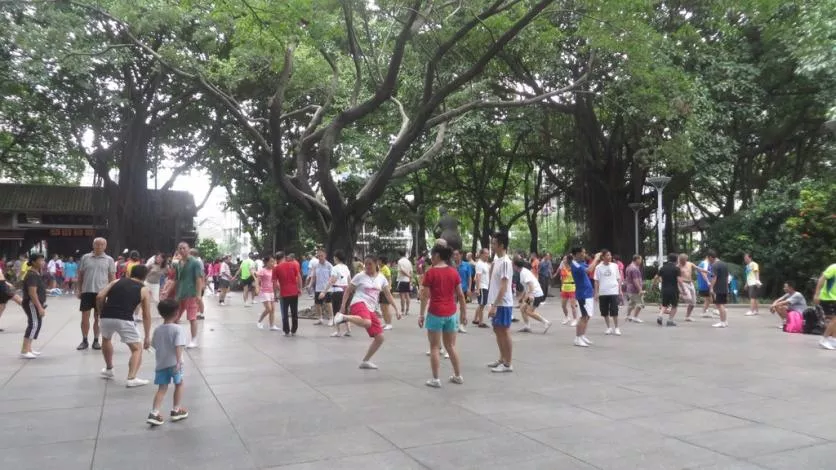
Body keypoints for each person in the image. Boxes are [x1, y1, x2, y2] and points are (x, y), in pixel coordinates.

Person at [334, 255, 400, 369]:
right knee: (367, 322)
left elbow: (388, 295)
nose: (367, 266)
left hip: (370, 308)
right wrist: (343, 306)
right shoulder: (360, 276)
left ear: (376, 264)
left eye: (370, 264)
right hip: (358, 303)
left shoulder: (381, 278)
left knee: (380, 338)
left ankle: (365, 361)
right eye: (366, 264)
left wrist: (396, 309)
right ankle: (344, 317)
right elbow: (348, 291)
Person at [96, 264, 152, 387]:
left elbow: (100, 296)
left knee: (106, 339)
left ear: (130, 272)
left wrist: (101, 312)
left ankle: (109, 369)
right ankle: (131, 378)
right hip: (124, 318)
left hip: (106, 316)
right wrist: (147, 336)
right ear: (145, 276)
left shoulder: (117, 281)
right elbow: (146, 315)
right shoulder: (144, 289)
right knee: (137, 348)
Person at [419, 244, 466, 388]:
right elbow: (461, 295)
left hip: (435, 312)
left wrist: (421, 315)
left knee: (434, 347)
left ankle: (436, 379)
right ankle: (458, 375)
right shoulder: (453, 272)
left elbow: (425, 296)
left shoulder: (430, 273)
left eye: (432, 256)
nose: (430, 259)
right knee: (450, 346)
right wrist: (463, 314)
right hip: (451, 313)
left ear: (437, 256)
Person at [146, 299, 189, 426]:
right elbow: (178, 346)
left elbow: (154, 345)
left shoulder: (158, 329)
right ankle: (176, 410)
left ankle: (154, 413)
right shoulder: (178, 329)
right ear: (177, 313)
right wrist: (178, 362)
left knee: (162, 388)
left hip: (161, 364)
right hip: (175, 364)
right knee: (179, 384)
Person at [77, 238, 116, 351]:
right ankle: (84, 340)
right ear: (93, 245)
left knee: (98, 318)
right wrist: (79, 289)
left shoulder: (109, 260)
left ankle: (96, 340)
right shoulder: (85, 258)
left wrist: (112, 292)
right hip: (87, 291)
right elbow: (80, 276)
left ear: (105, 246)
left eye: (102, 244)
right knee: (85, 317)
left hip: (102, 293)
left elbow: (112, 278)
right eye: (97, 244)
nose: (99, 246)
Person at [485, 232, 515, 372]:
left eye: (494, 243)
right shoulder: (497, 261)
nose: (492, 246)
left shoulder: (505, 262)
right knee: (498, 330)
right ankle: (502, 358)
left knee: (504, 331)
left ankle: (508, 363)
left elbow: (503, 286)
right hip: (496, 302)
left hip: (503, 303)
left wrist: (495, 305)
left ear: (501, 245)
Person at [171, 242, 204, 348]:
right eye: (180, 248)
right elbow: (176, 279)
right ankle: (176, 338)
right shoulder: (178, 263)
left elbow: (198, 279)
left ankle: (194, 339)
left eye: (184, 248)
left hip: (191, 293)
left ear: (188, 249)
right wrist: (168, 291)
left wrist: (198, 295)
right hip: (180, 293)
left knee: (192, 317)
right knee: (175, 317)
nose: (182, 250)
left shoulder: (195, 262)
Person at [571, 247, 601, 347]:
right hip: (582, 294)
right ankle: (577, 338)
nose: (584, 254)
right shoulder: (575, 263)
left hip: (587, 293)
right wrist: (596, 258)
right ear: (577, 254)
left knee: (587, 316)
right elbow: (589, 270)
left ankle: (582, 335)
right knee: (583, 316)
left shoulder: (581, 262)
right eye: (583, 253)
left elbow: (589, 267)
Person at [514, 259, 552, 334]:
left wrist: (530, 295)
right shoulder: (522, 272)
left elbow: (530, 285)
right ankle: (527, 326)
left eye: (513, 265)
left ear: (515, 266)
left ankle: (546, 322)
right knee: (522, 308)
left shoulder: (524, 273)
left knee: (529, 311)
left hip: (536, 295)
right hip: (533, 294)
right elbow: (526, 287)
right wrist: (522, 298)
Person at [20, 254, 47, 359]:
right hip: (32, 303)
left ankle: (29, 348)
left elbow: (37, 289)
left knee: (36, 324)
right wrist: (39, 307)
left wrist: (48, 291)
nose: (43, 262)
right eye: (41, 260)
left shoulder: (36, 273)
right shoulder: (32, 275)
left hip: (35, 302)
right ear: (34, 262)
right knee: (34, 324)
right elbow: (32, 293)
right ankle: (24, 350)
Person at [322, 250, 352, 337]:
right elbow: (349, 279)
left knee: (337, 311)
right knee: (345, 310)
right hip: (346, 291)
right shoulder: (346, 267)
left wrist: (324, 291)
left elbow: (332, 280)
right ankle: (348, 329)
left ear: (336, 258)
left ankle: (338, 331)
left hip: (337, 291)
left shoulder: (335, 268)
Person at [273, 252, 302, 336]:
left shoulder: (276, 268)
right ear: (284, 257)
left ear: (277, 259)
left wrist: (275, 295)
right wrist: (299, 288)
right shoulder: (293, 265)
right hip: (294, 292)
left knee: (284, 312)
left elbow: (274, 283)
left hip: (284, 293)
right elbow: (299, 277)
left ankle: (286, 331)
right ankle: (294, 330)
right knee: (294, 311)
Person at [594, 249, 622, 335]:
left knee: (614, 310)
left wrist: (620, 290)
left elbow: (618, 278)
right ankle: (608, 327)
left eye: (610, 255)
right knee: (604, 311)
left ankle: (617, 328)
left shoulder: (615, 266)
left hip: (613, 291)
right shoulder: (598, 267)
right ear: (603, 257)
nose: (610, 257)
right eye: (607, 255)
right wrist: (596, 293)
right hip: (603, 292)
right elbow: (596, 281)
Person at [653, 253, 681, 327]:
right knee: (674, 306)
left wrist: (654, 284)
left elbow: (656, 277)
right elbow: (679, 280)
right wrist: (683, 289)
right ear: (676, 260)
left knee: (664, 305)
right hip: (673, 290)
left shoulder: (663, 268)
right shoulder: (676, 269)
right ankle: (670, 321)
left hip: (664, 289)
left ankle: (660, 316)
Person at [813, 263, 836, 350]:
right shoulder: (834, 267)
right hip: (828, 297)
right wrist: (817, 294)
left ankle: (833, 339)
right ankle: (824, 339)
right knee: (834, 319)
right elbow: (822, 278)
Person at [254, 255, 280, 330]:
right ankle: (259, 321)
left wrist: (280, 289)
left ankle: (272, 326)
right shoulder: (262, 270)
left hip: (271, 292)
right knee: (269, 309)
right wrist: (257, 288)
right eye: (271, 261)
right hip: (264, 292)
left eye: (273, 261)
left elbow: (276, 281)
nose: (273, 263)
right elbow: (257, 280)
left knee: (273, 310)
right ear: (266, 262)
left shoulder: (274, 270)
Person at [309, 249, 334, 326]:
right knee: (317, 304)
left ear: (325, 256)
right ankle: (320, 319)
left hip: (327, 288)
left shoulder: (329, 265)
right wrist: (310, 285)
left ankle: (331, 318)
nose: (320, 257)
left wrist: (325, 290)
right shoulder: (315, 265)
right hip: (318, 288)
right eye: (318, 256)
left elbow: (332, 278)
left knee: (328, 304)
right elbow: (313, 277)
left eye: (321, 255)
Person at [707, 250, 730, 328]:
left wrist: (711, 288)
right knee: (722, 305)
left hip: (718, 288)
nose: (708, 260)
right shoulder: (724, 264)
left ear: (710, 257)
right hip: (724, 287)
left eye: (708, 258)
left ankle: (722, 322)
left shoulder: (714, 265)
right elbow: (727, 277)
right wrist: (727, 287)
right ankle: (725, 321)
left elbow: (714, 278)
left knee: (719, 305)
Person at [453, 250, 474, 332]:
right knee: (453, 306)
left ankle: (461, 325)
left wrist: (469, 288)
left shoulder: (467, 265)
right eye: (454, 255)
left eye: (457, 254)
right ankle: (454, 323)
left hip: (464, 289)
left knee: (463, 307)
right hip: (453, 289)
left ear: (461, 255)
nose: (455, 256)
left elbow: (469, 278)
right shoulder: (451, 265)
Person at [471, 248, 491, 328]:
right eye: (486, 253)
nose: (488, 255)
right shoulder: (479, 264)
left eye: (488, 253)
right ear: (481, 254)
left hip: (485, 286)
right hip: (482, 286)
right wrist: (478, 289)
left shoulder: (485, 263)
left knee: (481, 304)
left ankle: (475, 319)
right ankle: (481, 322)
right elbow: (478, 277)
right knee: (482, 304)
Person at [0, 263, 22, 332]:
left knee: (2, 306)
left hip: (3, 285)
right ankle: (36, 307)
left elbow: (1, 277)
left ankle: (36, 307)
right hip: (2, 287)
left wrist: (6, 283)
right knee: (17, 298)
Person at [558, 255, 579, 326]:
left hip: (572, 287)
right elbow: (562, 279)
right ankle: (567, 317)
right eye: (563, 259)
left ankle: (575, 319)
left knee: (572, 305)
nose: (563, 260)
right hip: (564, 288)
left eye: (565, 259)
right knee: (563, 305)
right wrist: (561, 288)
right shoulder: (562, 268)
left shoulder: (573, 268)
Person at [378, 256, 394, 330]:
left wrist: (389, 288)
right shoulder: (380, 268)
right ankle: (385, 322)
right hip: (380, 290)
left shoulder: (386, 269)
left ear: (382, 261)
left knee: (386, 307)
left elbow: (389, 279)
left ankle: (389, 323)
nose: (378, 262)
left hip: (385, 290)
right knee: (382, 307)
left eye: (379, 260)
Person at [396, 250, 413, 317]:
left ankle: (402, 310)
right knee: (407, 295)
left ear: (399, 255)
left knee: (402, 296)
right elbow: (411, 272)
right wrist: (410, 279)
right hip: (407, 281)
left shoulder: (400, 261)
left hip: (401, 280)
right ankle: (407, 310)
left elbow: (401, 271)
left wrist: (408, 276)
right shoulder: (409, 261)